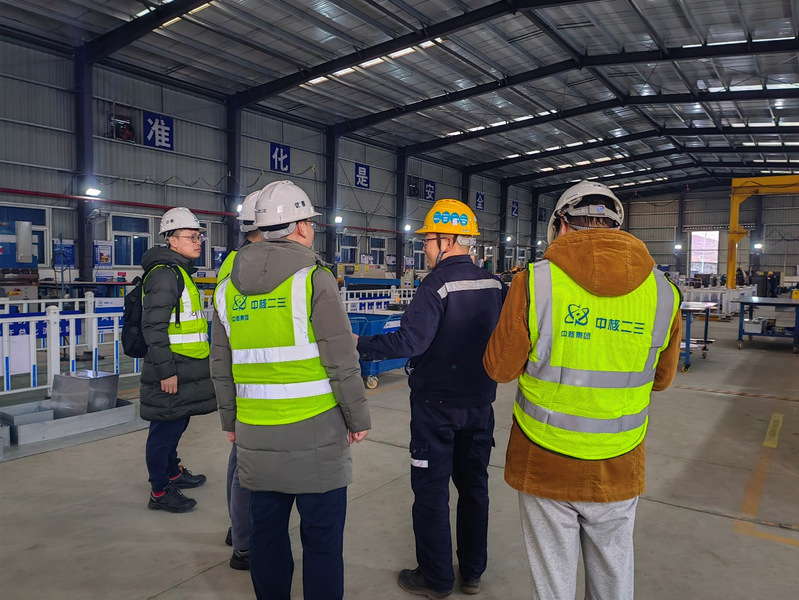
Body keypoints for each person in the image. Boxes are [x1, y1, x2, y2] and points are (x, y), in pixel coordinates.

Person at [483, 180, 681, 600]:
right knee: (613, 577)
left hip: (545, 457)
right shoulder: (663, 291)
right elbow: (662, 379)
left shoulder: (535, 282)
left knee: (552, 582)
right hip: (620, 459)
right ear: (617, 226)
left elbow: (499, 369)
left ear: (560, 225)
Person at [210, 180, 370, 600]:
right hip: (318, 434)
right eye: (311, 223)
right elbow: (341, 359)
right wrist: (358, 418)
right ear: (300, 227)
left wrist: (231, 422)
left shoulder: (226, 288)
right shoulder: (314, 280)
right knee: (322, 541)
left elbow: (221, 366)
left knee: (266, 536)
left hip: (256, 433)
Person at [357, 199, 506, 599]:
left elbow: (410, 341)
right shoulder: (495, 285)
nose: (424, 247)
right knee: (474, 490)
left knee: (431, 493)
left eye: (427, 240)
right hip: (480, 405)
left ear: (447, 240)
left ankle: (436, 579)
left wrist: (361, 344)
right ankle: (472, 573)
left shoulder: (435, 284)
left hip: (436, 409)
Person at [141, 207, 217, 513]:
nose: (198, 242)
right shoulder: (165, 275)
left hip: (186, 364)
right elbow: (153, 326)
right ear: (171, 240)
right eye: (191, 237)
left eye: (199, 237)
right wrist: (166, 372)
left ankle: (172, 472)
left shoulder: (179, 272)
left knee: (177, 422)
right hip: (172, 366)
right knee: (164, 430)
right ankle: (159, 491)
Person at [216, 188, 265, 570]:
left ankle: (239, 530)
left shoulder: (233, 261)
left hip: (242, 376)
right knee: (246, 467)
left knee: (239, 460)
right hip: (253, 379)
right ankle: (244, 542)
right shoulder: (250, 265)